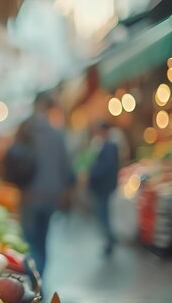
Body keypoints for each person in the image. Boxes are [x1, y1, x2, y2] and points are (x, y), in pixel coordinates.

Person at [7, 92, 75, 276]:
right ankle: (40, 276)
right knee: (43, 240)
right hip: (51, 196)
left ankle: (33, 275)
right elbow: (67, 168)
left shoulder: (25, 129)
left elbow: (11, 157)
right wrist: (64, 192)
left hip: (29, 194)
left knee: (29, 240)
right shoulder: (58, 135)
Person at [88, 122, 119, 256]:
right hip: (105, 186)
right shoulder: (107, 146)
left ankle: (109, 240)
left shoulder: (108, 147)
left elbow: (104, 168)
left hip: (104, 187)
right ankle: (109, 239)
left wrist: (92, 173)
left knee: (103, 214)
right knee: (103, 213)